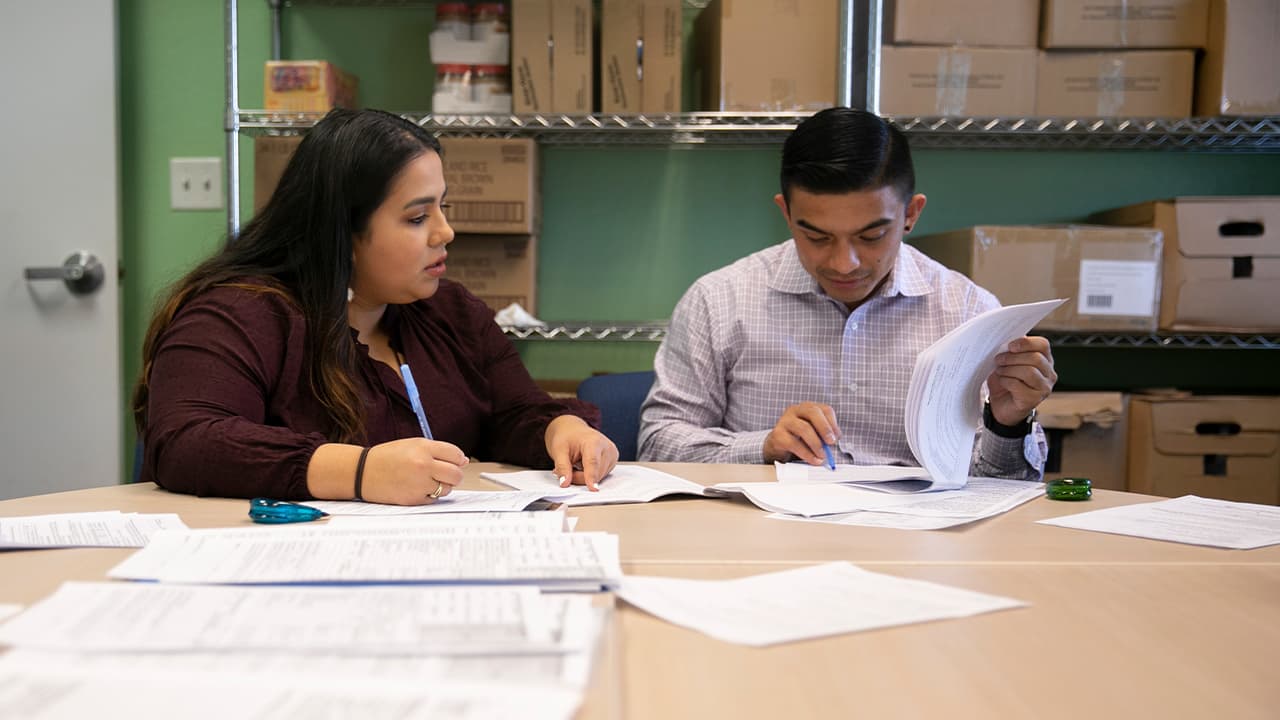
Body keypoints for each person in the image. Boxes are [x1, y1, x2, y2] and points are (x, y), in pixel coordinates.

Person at [135, 108, 617, 504]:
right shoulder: (238, 314)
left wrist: (561, 429)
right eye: (417, 217)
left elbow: (513, 412)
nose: (445, 232)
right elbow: (187, 441)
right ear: (341, 232)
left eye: (442, 208)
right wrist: (361, 470)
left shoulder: (451, 312)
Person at [638, 107, 1055, 480]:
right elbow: (656, 445)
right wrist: (762, 447)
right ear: (786, 213)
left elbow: (1001, 487)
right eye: (815, 236)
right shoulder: (719, 300)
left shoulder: (968, 310)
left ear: (911, 214)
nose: (844, 263)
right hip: (764, 541)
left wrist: (1007, 424)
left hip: (913, 544)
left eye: (871, 236)